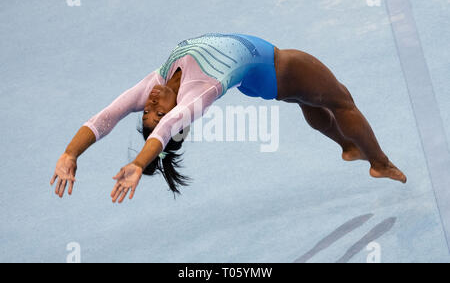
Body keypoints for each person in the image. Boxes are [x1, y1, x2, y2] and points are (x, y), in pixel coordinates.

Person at [50, 33, 407, 203]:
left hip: (262, 78)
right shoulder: (198, 92)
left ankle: (348, 146)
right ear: (173, 116)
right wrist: (140, 163)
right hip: (280, 67)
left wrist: (70, 154)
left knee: (310, 103)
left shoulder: (155, 83)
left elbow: (105, 116)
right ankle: (380, 162)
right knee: (342, 100)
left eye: (146, 110)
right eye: (157, 112)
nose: (151, 103)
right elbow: (166, 127)